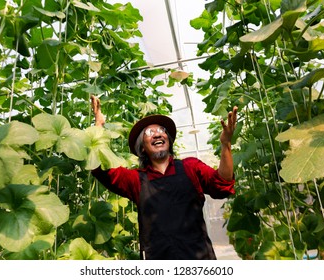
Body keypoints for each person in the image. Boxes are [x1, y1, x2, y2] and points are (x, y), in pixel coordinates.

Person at [91, 96, 237, 260]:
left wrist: (226, 145)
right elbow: (99, 168)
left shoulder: (191, 167)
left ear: (169, 139)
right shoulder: (135, 179)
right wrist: (99, 126)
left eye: (161, 130)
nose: (157, 134)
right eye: (149, 132)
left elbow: (222, 184)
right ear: (143, 148)